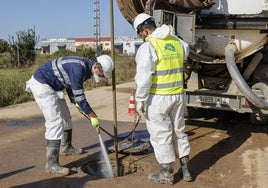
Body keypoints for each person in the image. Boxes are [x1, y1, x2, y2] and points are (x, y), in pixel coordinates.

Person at [25, 55, 114, 176]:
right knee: (55, 122)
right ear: (97, 66)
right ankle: (51, 164)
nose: (101, 77)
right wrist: (92, 114)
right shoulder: (80, 68)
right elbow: (79, 94)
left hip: (54, 86)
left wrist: (74, 101)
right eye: (102, 74)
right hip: (43, 85)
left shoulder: (87, 68)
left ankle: (66, 147)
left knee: (66, 117)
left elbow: (70, 83)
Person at [133, 13, 192, 185]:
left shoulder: (148, 47)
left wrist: (140, 100)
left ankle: (166, 175)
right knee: (179, 131)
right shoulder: (177, 42)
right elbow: (186, 53)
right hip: (178, 96)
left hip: (158, 98)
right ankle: (186, 169)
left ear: (144, 31)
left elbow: (144, 77)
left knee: (161, 135)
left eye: (140, 33)